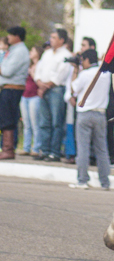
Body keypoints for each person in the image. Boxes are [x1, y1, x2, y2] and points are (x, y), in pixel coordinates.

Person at [69, 49, 111, 190]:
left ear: (86, 60)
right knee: (102, 149)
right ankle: (105, 182)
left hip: (84, 114)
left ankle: (82, 180)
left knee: (83, 149)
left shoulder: (84, 74)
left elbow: (73, 89)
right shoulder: (105, 74)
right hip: (100, 114)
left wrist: (75, 70)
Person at [34, 28, 73, 161]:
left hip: (55, 89)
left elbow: (61, 74)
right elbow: (38, 69)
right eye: (50, 37)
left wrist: (46, 86)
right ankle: (44, 150)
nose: (50, 39)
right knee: (44, 121)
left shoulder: (66, 55)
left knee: (57, 122)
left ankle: (54, 152)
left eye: (54, 37)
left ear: (61, 40)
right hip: (43, 88)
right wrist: (39, 82)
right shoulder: (47, 53)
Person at [0, 26, 31, 160]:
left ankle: (8, 149)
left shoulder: (20, 51)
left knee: (8, 118)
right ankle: (6, 147)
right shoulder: (14, 50)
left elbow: (7, 71)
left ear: (17, 36)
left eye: (11, 35)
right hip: (8, 87)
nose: (9, 38)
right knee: (5, 117)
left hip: (13, 88)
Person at [19, 45, 43, 157]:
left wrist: (33, 72)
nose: (30, 52)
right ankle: (26, 147)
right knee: (26, 123)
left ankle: (36, 148)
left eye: (33, 50)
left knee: (35, 123)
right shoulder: (29, 65)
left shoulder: (40, 65)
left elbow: (38, 79)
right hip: (25, 95)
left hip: (34, 96)